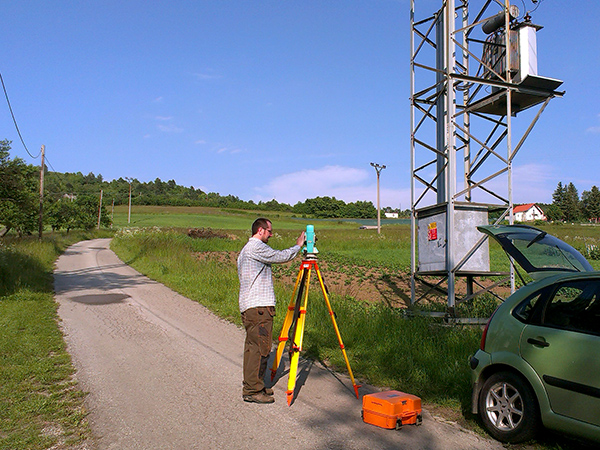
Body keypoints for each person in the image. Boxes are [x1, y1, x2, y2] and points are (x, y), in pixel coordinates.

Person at [237, 218, 305, 404]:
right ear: (260, 230)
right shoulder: (256, 247)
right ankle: (252, 390)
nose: (271, 234)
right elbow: (280, 256)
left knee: (254, 348)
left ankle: (256, 384)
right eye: (269, 231)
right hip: (259, 307)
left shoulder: (244, 251)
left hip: (251, 306)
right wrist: (298, 246)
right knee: (260, 348)